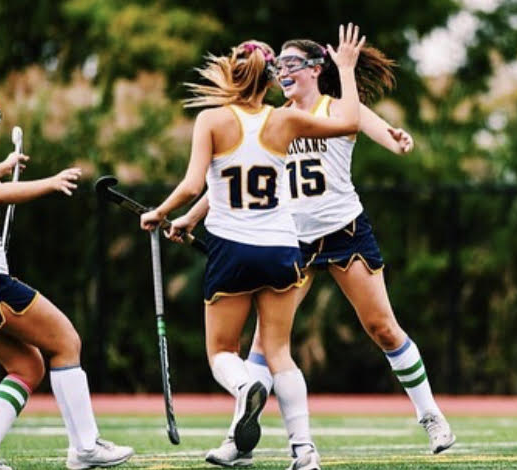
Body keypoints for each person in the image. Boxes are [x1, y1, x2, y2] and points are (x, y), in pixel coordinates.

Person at [169, 37, 456, 461]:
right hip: (291, 238)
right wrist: (192, 216)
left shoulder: (338, 109)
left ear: (315, 69)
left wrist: (394, 136)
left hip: (344, 231)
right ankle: (238, 438)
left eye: (292, 64)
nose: (282, 73)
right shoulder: (275, 118)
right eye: (278, 66)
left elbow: (370, 129)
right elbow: (233, 176)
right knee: (265, 347)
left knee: (382, 327)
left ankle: (431, 416)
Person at [141, 24, 366, 470]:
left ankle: (245, 389)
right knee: (280, 354)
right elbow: (351, 122)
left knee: (222, 352)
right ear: (269, 80)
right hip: (283, 249)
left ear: (233, 74)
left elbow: (191, 183)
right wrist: (345, 70)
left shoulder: (211, 119)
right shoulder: (284, 119)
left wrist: (159, 213)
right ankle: (304, 452)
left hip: (232, 249)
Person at [0, 89, 134, 470]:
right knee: (67, 340)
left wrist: (3, 165)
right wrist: (50, 182)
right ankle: (86, 447)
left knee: (28, 367)